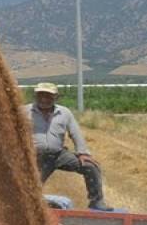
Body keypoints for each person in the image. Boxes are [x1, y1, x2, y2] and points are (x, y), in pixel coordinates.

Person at [24, 82, 113, 211]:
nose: (44, 99)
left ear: (56, 97)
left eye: (48, 96)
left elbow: (75, 133)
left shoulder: (64, 112)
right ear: (35, 96)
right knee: (32, 188)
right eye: (41, 95)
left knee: (91, 166)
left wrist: (83, 152)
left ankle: (96, 202)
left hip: (59, 155)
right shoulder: (24, 111)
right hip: (36, 157)